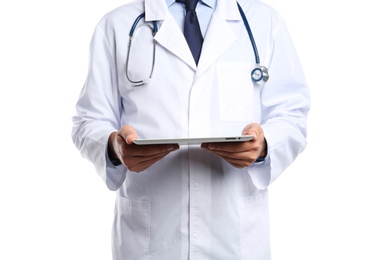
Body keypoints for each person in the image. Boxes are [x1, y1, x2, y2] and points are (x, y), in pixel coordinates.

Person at [71, 0, 310, 258]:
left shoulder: (264, 22)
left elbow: (292, 113)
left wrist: (263, 146)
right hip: (151, 241)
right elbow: (88, 120)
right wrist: (114, 147)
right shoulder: (116, 26)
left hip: (234, 239)